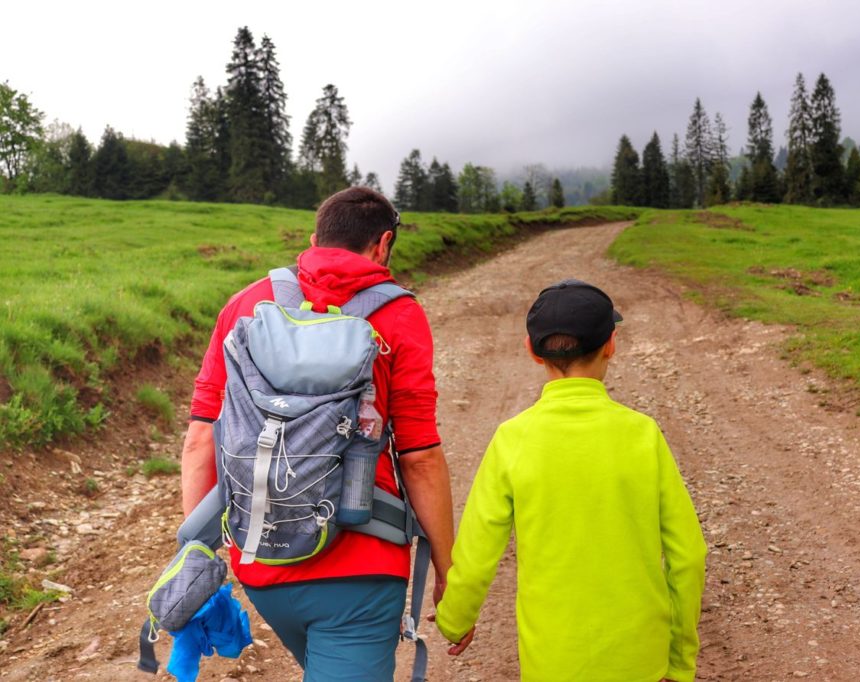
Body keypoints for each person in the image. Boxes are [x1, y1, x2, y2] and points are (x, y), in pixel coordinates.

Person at [180, 186, 454, 681]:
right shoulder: (399, 315)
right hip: (362, 571)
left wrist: (196, 555)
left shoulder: (247, 303)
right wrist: (448, 564)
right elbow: (419, 456)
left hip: (261, 560)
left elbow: (202, 437)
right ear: (383, 243)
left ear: (314, 239)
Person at [434, 279, 706, 682]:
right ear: (611, 344)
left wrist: (456, 618)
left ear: (531, 350)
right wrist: (680, 659)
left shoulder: (513, 438)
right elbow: (688, 555)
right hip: (639, 659)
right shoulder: (643, 435)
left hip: (552, 661)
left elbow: (476, 552)